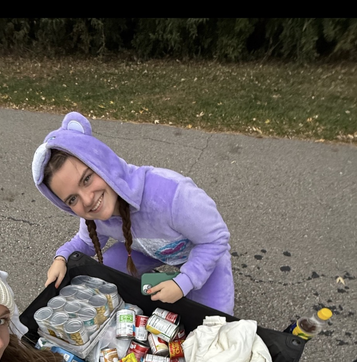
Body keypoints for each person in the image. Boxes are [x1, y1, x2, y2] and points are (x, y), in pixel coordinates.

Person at [32, 111, 234, 313]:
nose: (87, 200)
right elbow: (85, 242)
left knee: (214, 323)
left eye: (86, 179)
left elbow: (215, 239)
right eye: (72, 199)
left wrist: (185, 281)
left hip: (202, 249)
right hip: (150, 249)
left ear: (103, 164)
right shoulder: (94, 214)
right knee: (100, 278)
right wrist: (61, 259)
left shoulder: (171, 194)